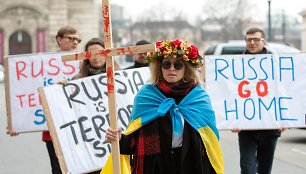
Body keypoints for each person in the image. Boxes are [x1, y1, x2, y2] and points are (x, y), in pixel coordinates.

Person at [104, 39, 224, 174]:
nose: (171, 69)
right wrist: (119, 138)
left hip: (192, 165)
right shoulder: (146, 96)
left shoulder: (199, 97)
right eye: (166, 64)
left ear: (186, 68)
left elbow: (210, 140)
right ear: (160, 68)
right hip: (155, 167)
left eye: (178, 65)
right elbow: (134, 143)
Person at [232, 27, 285, 174]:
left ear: (264, 41)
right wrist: (231, 119)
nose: (252, 43)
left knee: (264, 170)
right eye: (249, 40)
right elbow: (230, 94)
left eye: (256, 39)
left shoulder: (275, 63)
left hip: (270, 128)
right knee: (247, 168)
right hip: (246, 128)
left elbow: (283, 92)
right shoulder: (235, 65)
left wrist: (284, 119)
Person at [43, 25, 82, 174]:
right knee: (58, 169)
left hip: (78, 126)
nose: (75, 42)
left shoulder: (83, 62)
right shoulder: (44, 63)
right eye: (71, 38)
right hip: (52, 130)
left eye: (78, 40)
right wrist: (18, 124)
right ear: (59, 40)